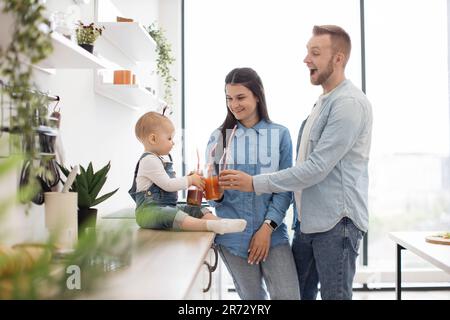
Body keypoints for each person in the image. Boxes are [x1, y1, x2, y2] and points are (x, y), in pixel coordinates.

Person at [220, 25, 373, 300]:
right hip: (307, 225)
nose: (306, 59)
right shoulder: (324, 103)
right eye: (307, 52)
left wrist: (253, 184)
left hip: (337, 225)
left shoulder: (348, 103)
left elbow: (316, 168)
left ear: (338, 58)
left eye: (315, 52)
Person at [205, 67, 300, 300]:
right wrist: (215, 190)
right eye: (229, 98)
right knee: (253, 300)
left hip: (273, 235)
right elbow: (211, 196)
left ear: (257, 95)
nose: (234, 105)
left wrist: (267, 229)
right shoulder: (219, 138)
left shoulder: (280, 134)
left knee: (288, 296)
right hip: (233, 237)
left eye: (240, 97)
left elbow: (284, 187)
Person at [128, 111, 247, 235]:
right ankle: (211, 225)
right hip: (148, 213)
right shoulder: (149, 160)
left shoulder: (159, 159)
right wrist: (190, 180)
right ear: (153, 139)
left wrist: (189, 178)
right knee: (173, 215)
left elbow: (168, 183)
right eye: (169, 138)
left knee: (194, 209)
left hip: (167, 207)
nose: (172, 142)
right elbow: (168, 185)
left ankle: (221, 222)